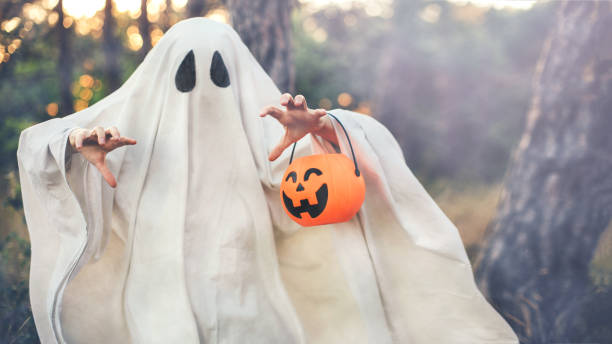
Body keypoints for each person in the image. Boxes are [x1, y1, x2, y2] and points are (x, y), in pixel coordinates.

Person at [18, 18, 517, 343]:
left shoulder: (266, 141)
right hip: (156, 309)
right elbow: (42, 142)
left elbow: (319, 189)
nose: (203, 89)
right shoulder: (128, 142)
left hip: (251, 307)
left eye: (219, 72)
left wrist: (321, 131)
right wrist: (76, 146)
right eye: (186, 72)